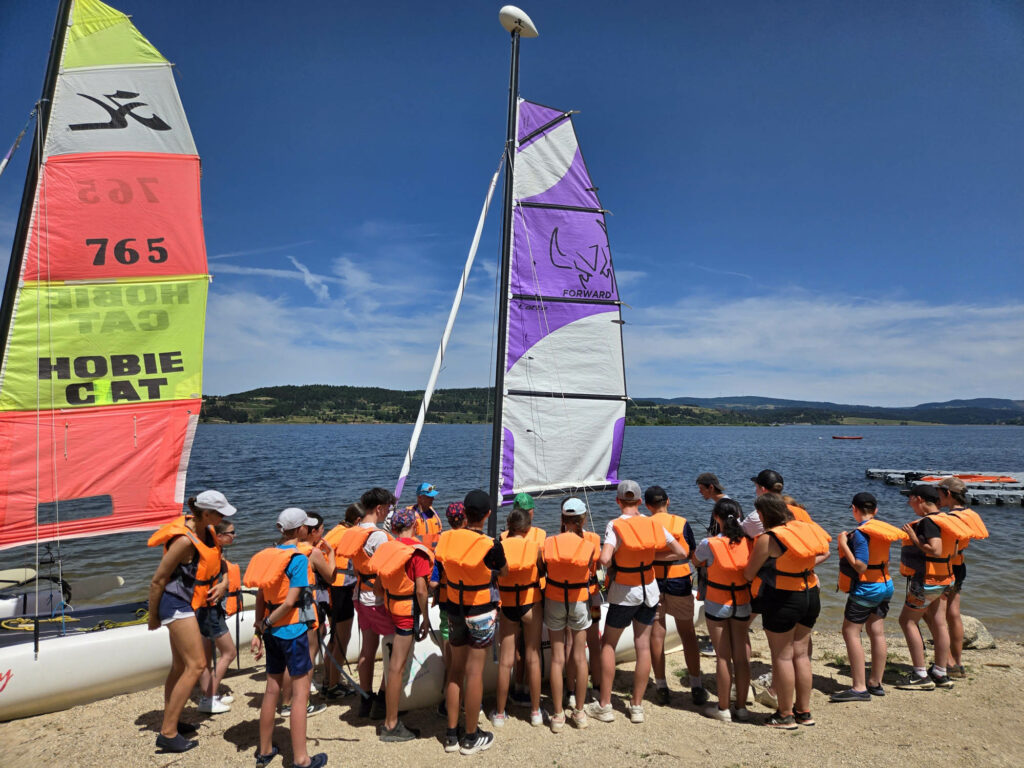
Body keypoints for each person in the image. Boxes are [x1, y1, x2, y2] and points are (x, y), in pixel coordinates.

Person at [584, 480, 689, 725]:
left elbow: (605, 558)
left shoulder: (615, 525)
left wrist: (618, 561)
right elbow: (682, 553)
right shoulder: (652, 524)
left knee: (608, 644)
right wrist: (651, 557)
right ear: (640, 502)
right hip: (649, 590)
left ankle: (606, 705)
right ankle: (637, 707)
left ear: (618, 501)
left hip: (624, 592)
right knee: (643, 646)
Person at [147, 490, 235, 753]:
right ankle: (167, 733)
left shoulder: (206, 530)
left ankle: (171, 719)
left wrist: (223, 584)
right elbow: (158, 580)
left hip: (190, 603)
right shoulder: (184, 541)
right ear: (206, 513)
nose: (222, 518)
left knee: (178, 666)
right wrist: (153, 617)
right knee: (196, 666)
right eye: (219, 513)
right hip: (175, 605)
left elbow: (219, 566)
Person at [245, 507, 328, 768]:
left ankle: (265, 750)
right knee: (301, 693)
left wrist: (260, 628)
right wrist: (268, 622)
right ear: (301, 529)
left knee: (272, 688)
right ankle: (302, 759)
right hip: (292, 631)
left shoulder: (266, 555)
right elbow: (291, 601)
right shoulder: (299, 559)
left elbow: (261, 596)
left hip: (271, 633)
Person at [743, 493, 830, 729]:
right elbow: (823, 552)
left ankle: (784, 714)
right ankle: (804, 712)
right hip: (811, 593)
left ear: (762, 515)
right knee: (801, 655)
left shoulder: (768, 538)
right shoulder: (805, 528)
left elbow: (749, 573)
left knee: (782, 656)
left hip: (783, 597)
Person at [435, 489, 507, 755]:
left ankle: (451, 735)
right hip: (480, 612)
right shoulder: (490, 544)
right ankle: (470, 736)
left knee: (455, 670)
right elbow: (505, 571)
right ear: (488, 514)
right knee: (474, 673)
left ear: (464, 513)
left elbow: (442, 567)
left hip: (454, 609)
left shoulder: (445, 538)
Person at [830, 492, 904, 702]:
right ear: (876, 511)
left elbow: (860, 565)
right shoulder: (881, 531)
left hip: (867, 588)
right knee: (876, 631)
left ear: (854, 509)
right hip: (886, 584)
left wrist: (843, 543)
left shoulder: (861, 534)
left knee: (850, 632)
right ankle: (875, 683)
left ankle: (859, 688)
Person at [368, 506, 433, 742]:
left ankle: (390, 717)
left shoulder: (387, 549)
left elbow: (377, 588)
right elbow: (421, 589)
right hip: (407, 614)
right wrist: (425, 617)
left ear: (393, 528)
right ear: (415, 526)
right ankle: (391, 724)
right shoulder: (417, 553)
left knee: (395, 666)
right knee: (396, 668)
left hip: (392, 609)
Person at [895, 483, 967, 691]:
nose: (909, 502)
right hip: (946, 578)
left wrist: (913, 538)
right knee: (939, 623)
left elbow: (934, 550)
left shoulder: (928, 522)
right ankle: (940, 672)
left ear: (919, 500)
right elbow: (952, 551)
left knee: (907, 621)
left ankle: (920, 674)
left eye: (910, 498)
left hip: (927, 581)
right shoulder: (949, 519)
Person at [644, 485, 706, 706]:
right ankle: (696, 685)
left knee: (657, 634)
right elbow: (690, 552)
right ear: (668, 502)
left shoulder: (645, 524)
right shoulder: (681, 522)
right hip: (679, 580)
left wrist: (656, 556)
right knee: (687, 632)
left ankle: (661, 687)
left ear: (647, 505)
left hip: (652, 582)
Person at [335, 488, 395, 718]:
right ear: (379, 508)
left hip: (359, 597)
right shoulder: (378, 536)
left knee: (367, 649)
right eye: (387, 508)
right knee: (392, 647)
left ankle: (365, 697)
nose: (388, 513)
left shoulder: (352, 531)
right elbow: (386, 568)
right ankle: (382, 698)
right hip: (377, 599)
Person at [692, 498, 753, 721]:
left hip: (717, 603)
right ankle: (742, 708)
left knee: (722, 657)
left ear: (716, 518)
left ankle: (723, 708)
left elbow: (696, 561)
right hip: (743, 602)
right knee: (741, 657)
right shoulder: (750, 542)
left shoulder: (710, 543)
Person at [543, 498, 599, 732]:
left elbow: (543, 567)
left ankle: (557, 715)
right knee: (579, 655)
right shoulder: (591, 545)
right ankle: (579, 712)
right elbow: (592, 571)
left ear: (562, 518)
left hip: (555, 599)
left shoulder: (548, 542)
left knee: (557, 658)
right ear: (583, 519)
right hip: (578, 600)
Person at [492, 507, 544, 728]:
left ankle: (501, 714)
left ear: (509, 527)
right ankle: (535, 712)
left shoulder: (499, 547)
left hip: (508, 604)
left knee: (505, 661)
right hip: (530, 602)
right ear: (528, 528)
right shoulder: (535, 547)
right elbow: (541, 572)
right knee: (533, 656)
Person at [936, 477, 989, 679]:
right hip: (960, 566)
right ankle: (957, 662)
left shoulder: (952, 518)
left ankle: (948, 661)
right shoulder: (970, 514)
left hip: (947, 567)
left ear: (947, 494)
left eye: (939, 493)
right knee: (954, 613)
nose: (938, 497)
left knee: (937, 614)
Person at [196, 518, 239, 714]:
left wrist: (224, 583)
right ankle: (208, 699)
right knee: (229, 653)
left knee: (206, 655)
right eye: (231, 532)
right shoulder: (209, 553)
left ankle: (208, 693)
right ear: (219, 536)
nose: (235, 535)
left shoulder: (215, 550)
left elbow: (223, 568)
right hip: (208, 608)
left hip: (206, 608)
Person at [564, 497, 603, 704]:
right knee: (593, 642)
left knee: (570, 644)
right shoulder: (595, 539)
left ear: (563, 519)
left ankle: (570, 691)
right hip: (593, 597)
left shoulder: (557, 541)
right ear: (584, 519)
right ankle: (596, 687)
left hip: (571, 599)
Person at [431, 501, 468, 718]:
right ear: (465, 519)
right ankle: (464, 699)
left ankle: (448, 698)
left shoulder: (442, 545)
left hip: (448, 604)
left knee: (450, 655)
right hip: (471, 603)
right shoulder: (474, 542)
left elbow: (434, 583)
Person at [322, 503, 361, 698]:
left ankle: (328, 680)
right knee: (341, 639)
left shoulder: (335, 530)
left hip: (331, 589)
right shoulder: (347, 534)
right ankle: (333, 687)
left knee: (334, 637)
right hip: (341, 589)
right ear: (357, 521)